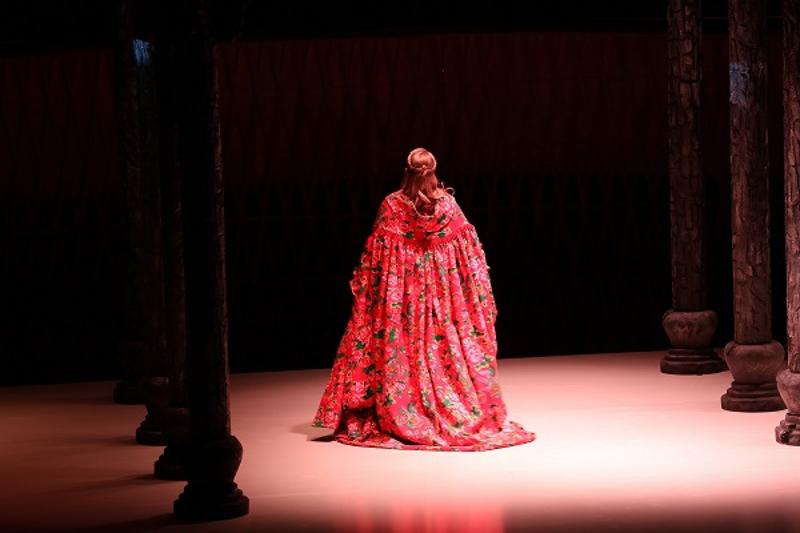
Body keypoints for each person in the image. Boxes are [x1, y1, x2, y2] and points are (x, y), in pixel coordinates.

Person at [312, 147, 535, 451]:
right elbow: (471, 260)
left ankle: (404, 410)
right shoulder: (448, 207)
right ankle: (454, 409)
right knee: (446, 350)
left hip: (402, 306)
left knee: (401, 351)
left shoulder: (392, 206)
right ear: (434, 171)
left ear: (406, 171)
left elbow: (374, 263)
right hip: (441, 304)